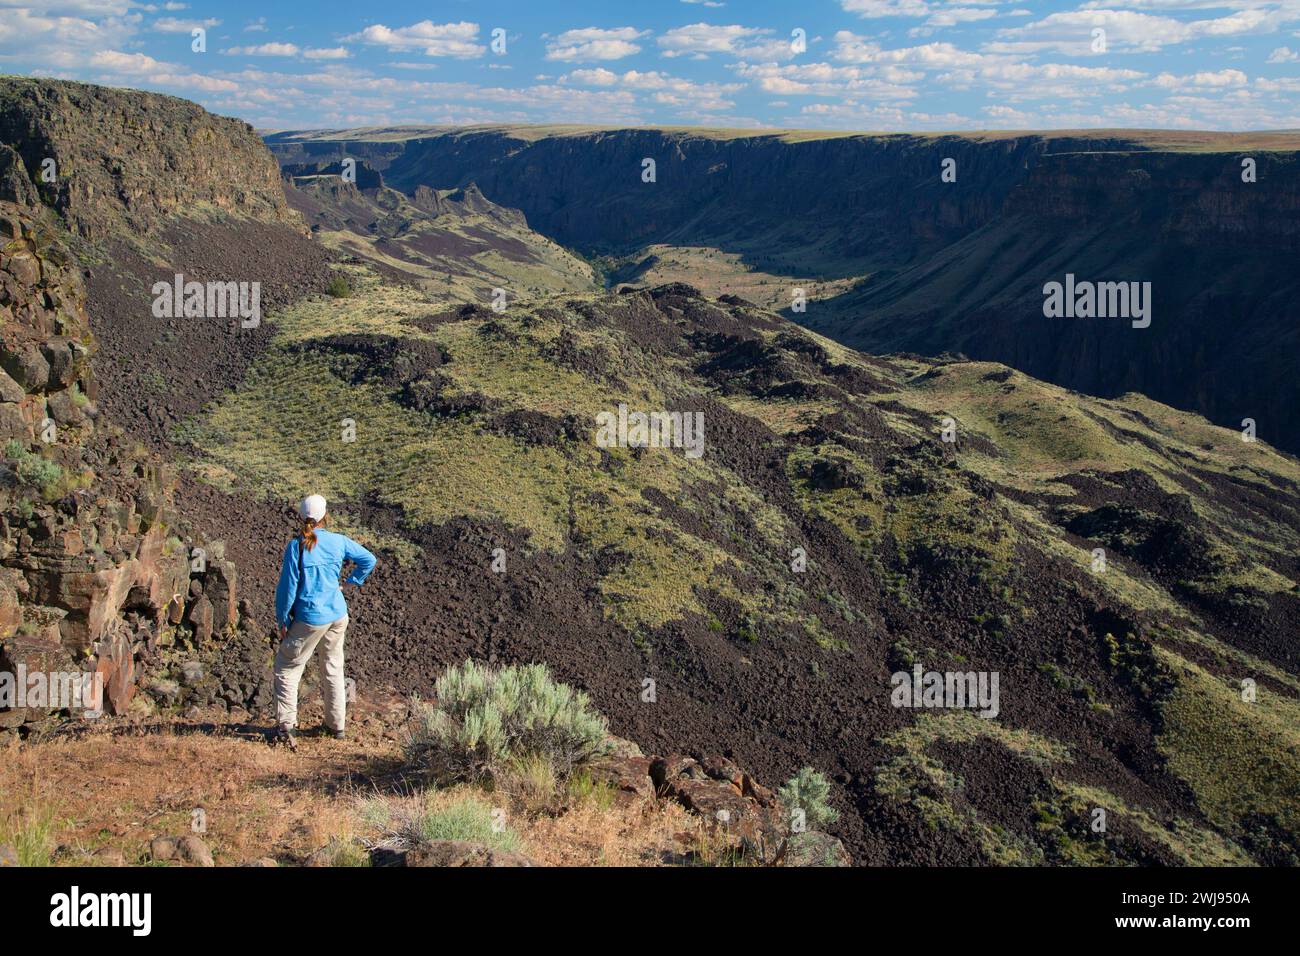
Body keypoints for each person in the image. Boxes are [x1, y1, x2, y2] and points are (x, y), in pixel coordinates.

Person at [271, 494, 376, 745]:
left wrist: (283, 620)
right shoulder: (338, 541)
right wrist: (350, 583)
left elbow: (288, 588)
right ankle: (336, 726)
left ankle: (286, 727)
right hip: (337, 615)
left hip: (309, 618)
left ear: (300, 517)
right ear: (325, 516)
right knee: (332, 667)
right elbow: (368, 559)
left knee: (287, 667)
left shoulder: (296, 547)